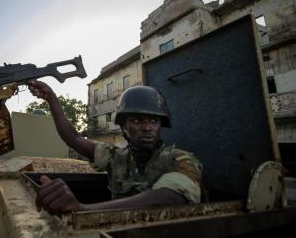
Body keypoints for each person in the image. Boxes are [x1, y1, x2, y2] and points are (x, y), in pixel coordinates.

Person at [27, 80, 202, 215]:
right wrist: (51, 98)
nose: (147, 127)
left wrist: (83, 210)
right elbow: (73, 138)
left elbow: (168, 198)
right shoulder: (116, 157)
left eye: (153, 120)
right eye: (136, 120)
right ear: (124, 127)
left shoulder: (181, 159)